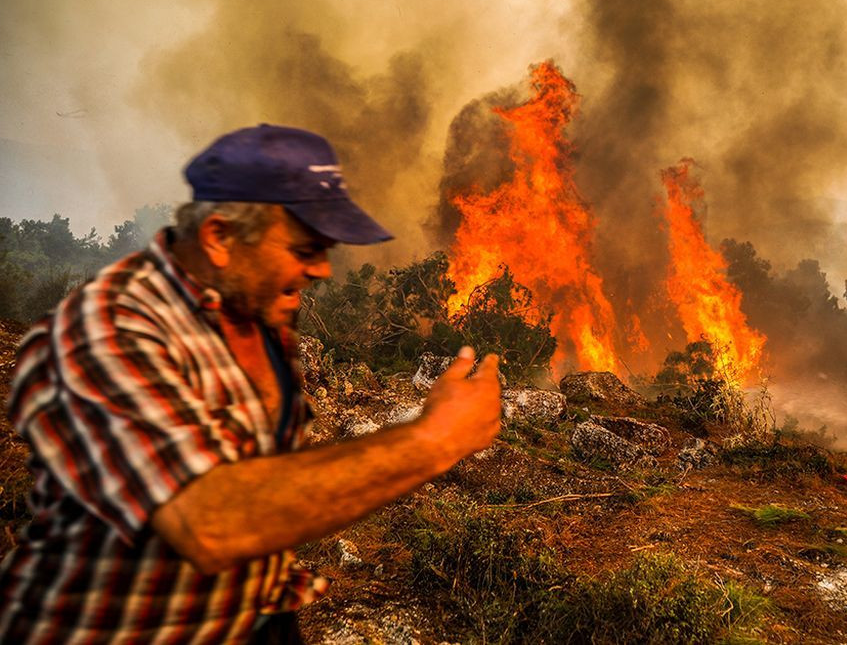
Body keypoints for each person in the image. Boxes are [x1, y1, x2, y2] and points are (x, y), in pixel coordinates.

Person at [0, 125, 503, 644]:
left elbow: (263, 485)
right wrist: (434, 439)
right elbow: (208, 523)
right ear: (220, 238)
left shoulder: (260, 319)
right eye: (306, 248)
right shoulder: (106, 332)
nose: (323, 269)